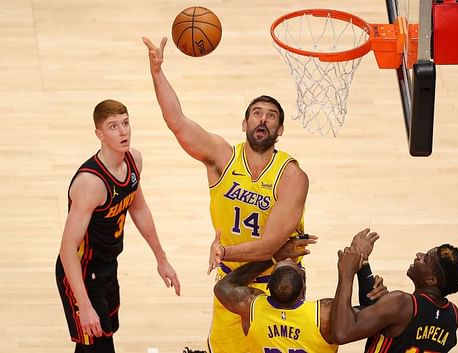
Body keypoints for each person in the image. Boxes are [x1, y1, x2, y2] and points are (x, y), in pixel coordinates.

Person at [143, 37, 309, 353]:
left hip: (278, 285)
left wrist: (222, 252)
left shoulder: (291, 175)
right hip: (231, 286)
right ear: (245, 123)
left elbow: (270, 246)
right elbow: (176, 122)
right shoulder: (222, 156)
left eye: (271, 115)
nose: (263, 119)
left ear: (280, 130)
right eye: (257, 113)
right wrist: (157, 71)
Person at [55, 99, 180, 353]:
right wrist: (85, 305)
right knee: (99, 345)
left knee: (97, 341)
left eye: (125, 123)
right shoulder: (90, 184)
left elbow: (139, 208)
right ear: (99, 134)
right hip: (81, 273)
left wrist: (161, 259)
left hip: (107, 267)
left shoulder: (134, 160)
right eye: (113, 126)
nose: (123, 131)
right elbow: (67, 249)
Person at [213, 229, 386, 353]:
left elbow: (223, 286)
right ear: (303, 287)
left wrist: (273, 257)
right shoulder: (324, 315)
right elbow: (374, 315)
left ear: (266, 287)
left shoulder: (251, 308)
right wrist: (361, 264)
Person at [331, 230, 458, 353]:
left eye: (426, 258)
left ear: (431, 280)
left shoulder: (401, 303)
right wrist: (363, 261)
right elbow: (385, 322)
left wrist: (346, 274)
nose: (419, 255)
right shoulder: (453, 316)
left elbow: (342, 333)